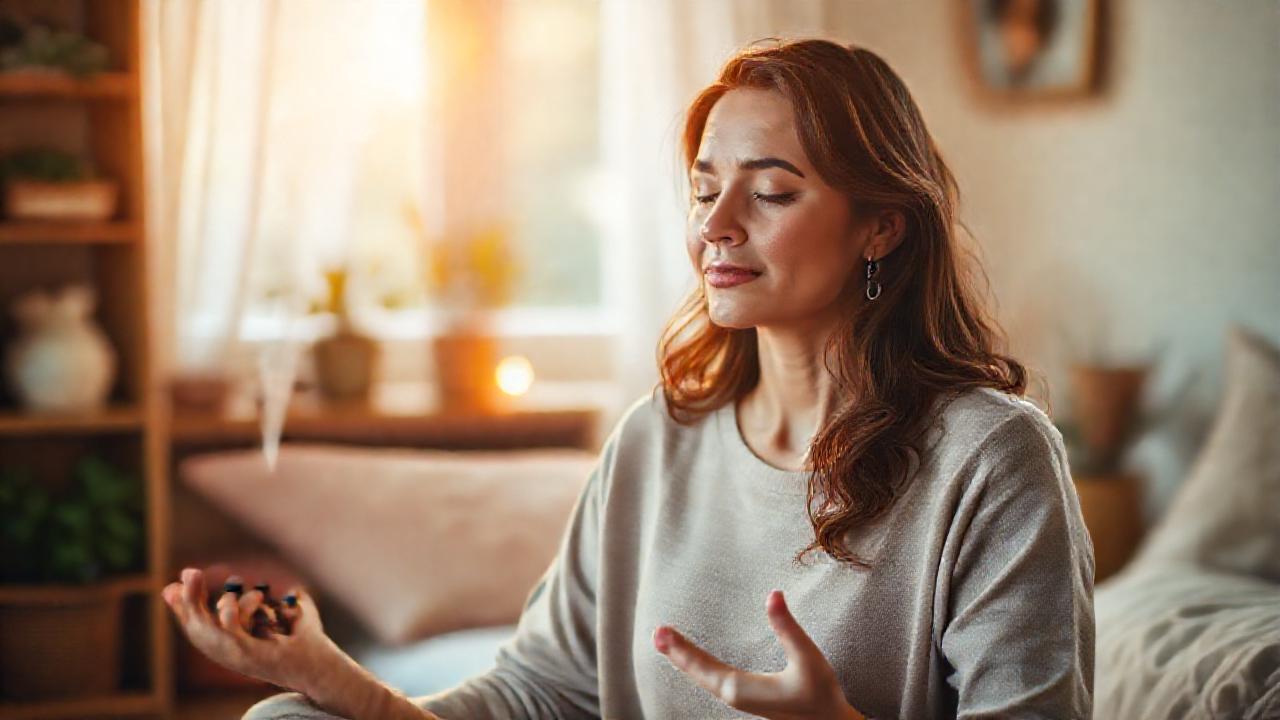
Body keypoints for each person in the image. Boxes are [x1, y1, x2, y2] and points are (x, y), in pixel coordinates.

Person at [164, 38, 1094, 719]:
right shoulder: (660, 439)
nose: (717, 224)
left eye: (771, 191)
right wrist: (325, 674)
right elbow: (539, 692)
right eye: (703, 189)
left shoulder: (991, 458)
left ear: (880, 226)